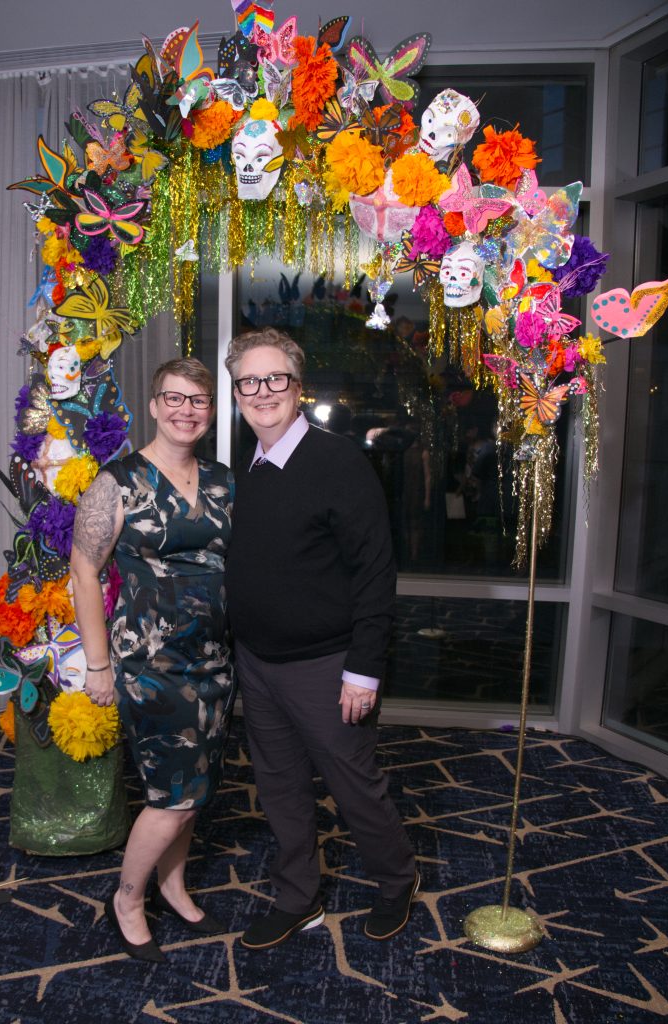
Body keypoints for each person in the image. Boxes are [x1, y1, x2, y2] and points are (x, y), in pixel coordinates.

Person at [224, 327, 418, 951]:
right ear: (236, 393)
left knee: (354, 787)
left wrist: (364, 669)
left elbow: (375, 573)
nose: (262, 392)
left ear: (298, 386)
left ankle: (397, 882)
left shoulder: (339, 462)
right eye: (248, 382)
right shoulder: (245, 466)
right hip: (258, 663)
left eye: (275, 378)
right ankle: (298, 896)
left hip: (328, 667)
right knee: (279, 788)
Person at [70, 357, 234, 962]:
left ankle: (173, 885)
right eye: (175, 398)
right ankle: (128, 898)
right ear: (154, 404)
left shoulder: (223, 480)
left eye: (198, 400)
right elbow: (83, 571)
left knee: (195, 789)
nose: (186, 410)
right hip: (151, 663)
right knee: (173, 797)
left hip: (215, 662)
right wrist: (97, 665)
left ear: (210, 410)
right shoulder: (118, 482)